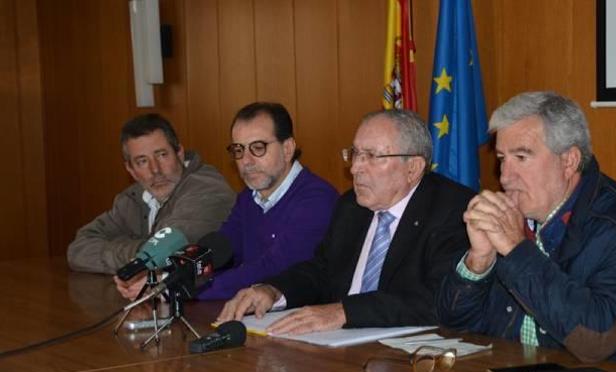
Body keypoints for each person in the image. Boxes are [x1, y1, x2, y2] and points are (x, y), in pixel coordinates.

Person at [435, 91, 616, 364]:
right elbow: (452, 324)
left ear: (569, 161)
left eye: (521, 157)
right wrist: (479, 260)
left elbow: (595, 339)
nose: (504, 176)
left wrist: (516, 250)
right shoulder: (512, 214)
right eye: (502, 158)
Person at [217, 109, 474, 334]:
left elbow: (436, 299)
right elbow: (322, 270)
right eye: (355, 154)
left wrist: (344, 312)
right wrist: (273, 291)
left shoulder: (453, 211)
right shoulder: (351, 206)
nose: (355, 168)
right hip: (338, 349)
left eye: (372, 156)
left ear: (413, 167)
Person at [172, 102, 337, 301]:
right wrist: (171, 277)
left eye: (258, 148)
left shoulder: (317, 200)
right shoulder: (249, 197)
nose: (246, 161)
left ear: (287, 149)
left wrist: (189, 290)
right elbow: (223, 252)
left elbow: (273, 269)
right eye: (239, 150)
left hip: (303, 320)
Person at [67, 113, 235, 275]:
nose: (155, 170)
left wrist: (136, 254)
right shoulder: (133, 199)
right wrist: (139, 251)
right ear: (130, 170)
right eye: (142, 161)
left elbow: (168, 252)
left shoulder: (208, 190)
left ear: (179, 153)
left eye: (162, 155)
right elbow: (78, 250)